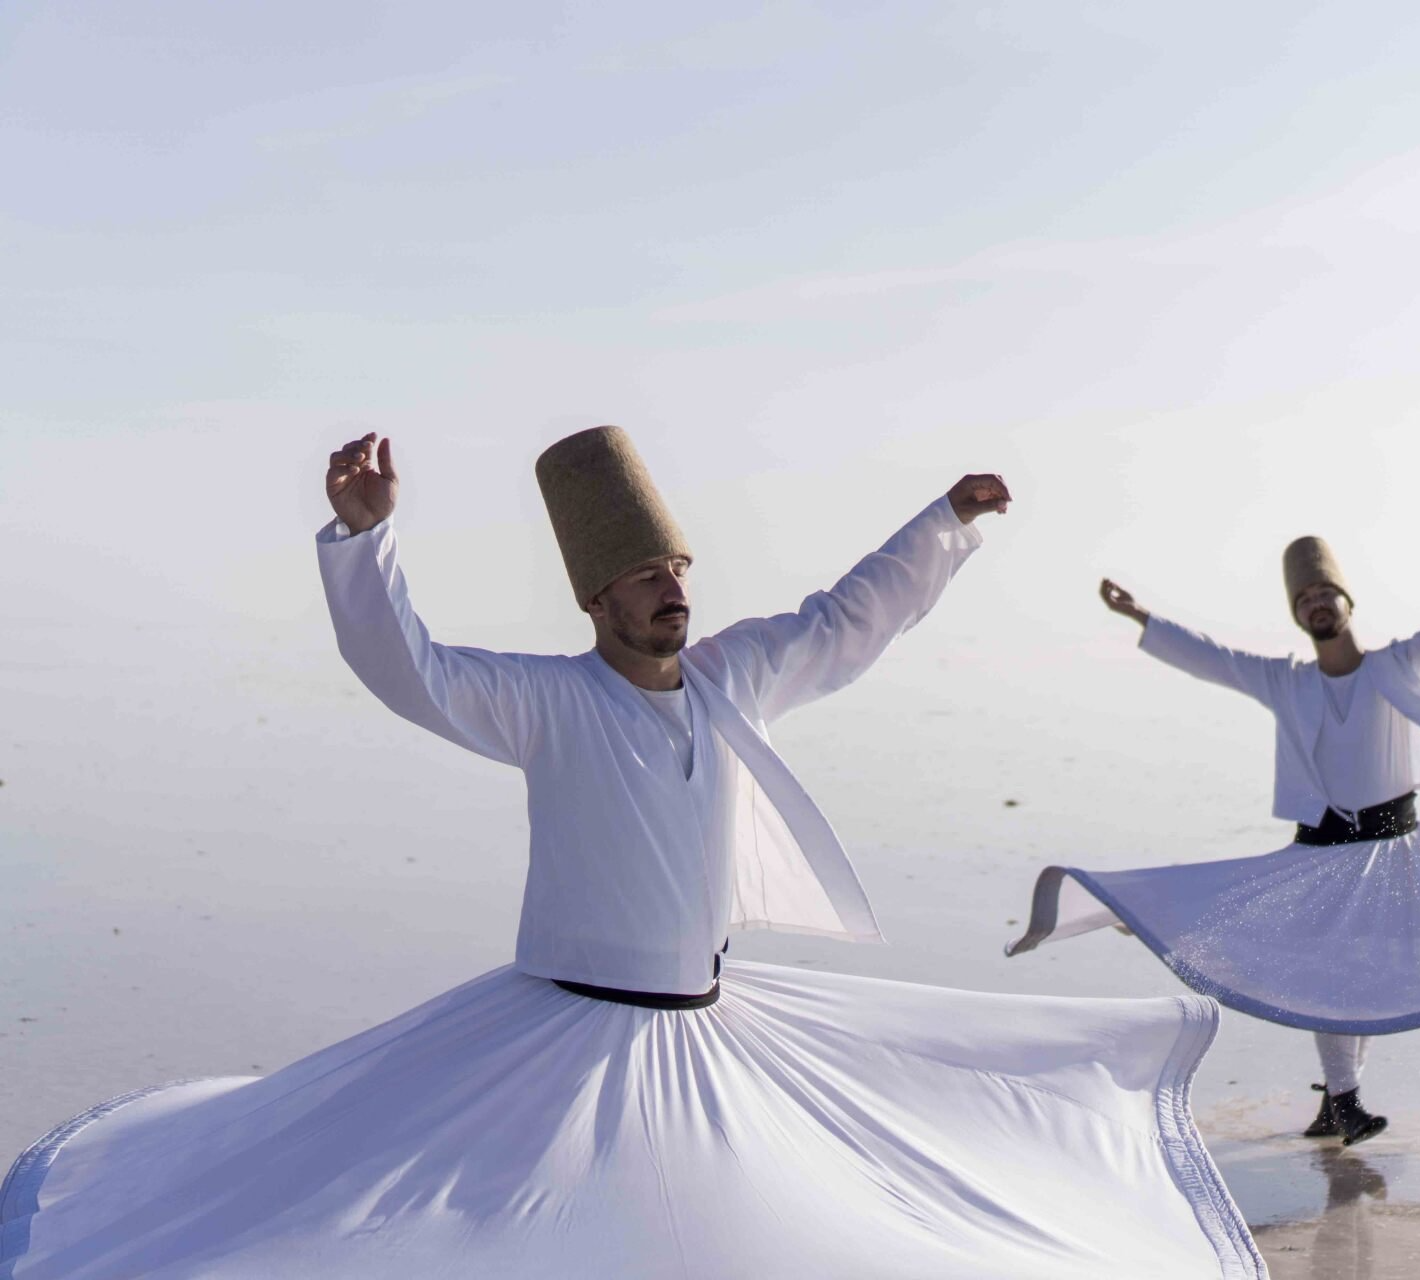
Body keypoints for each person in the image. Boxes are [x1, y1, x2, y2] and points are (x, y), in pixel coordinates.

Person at [0, 427, 1262, 1278]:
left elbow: (849, 616)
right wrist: (364, 540)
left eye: (676, 568)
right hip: (557, 1027)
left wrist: (942, 523)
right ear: (595, 599)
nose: (671, 587)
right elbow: (410, 669)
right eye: (644, 575)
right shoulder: (548, 701)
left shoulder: (734, 678)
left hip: (708, 1024)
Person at [1008, 536, 1420, 1147]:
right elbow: (1215, 658)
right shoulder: (1286, 682)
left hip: (1393, 849)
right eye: (1303, 597)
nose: (1315, 604)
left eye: (1323, 591)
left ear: (1347, 600)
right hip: (1321, 851)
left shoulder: (1394, 665)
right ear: (1297, 613)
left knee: (1365, 975)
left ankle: (1340, 1102)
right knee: (1329, 978)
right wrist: (1141, 618)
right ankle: (1345, 1099)